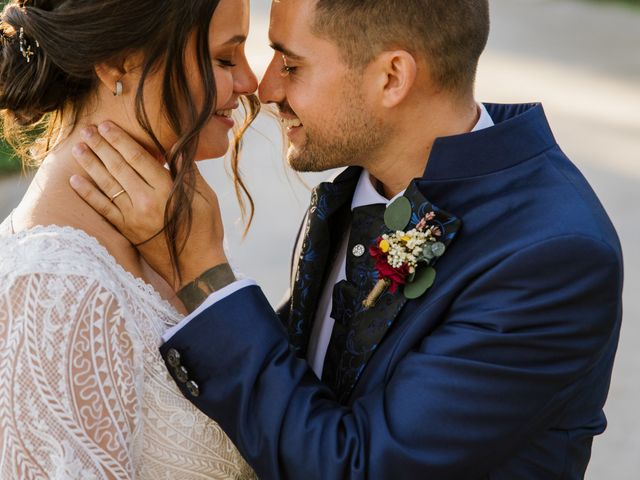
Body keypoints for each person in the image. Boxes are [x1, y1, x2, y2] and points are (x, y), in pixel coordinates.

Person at [71, 0, 624, 478]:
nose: (264, 91)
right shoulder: (365, 183)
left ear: (391, 78)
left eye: (291, 63)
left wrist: (203, 271)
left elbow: (355, 466)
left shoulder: (552, 255)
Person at [0, 0, 260, 478]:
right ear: (119, 62)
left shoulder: (172, 236)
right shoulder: (52, 288)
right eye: (225, 59)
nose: (250, 83)